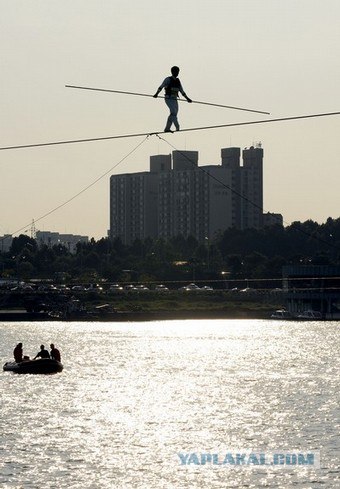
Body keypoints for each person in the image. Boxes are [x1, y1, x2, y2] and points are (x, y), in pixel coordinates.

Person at [153, 66, 192, 132]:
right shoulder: (168, 79)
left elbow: (182, 91)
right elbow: (161, 86)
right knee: (173, 111)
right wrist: (156, 94)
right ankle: (177, 126)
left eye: (178, 72)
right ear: (172, 72)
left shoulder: (178, 81)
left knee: (174, 113)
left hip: (174, 99)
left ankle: (167, 128)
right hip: (168, 98)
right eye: (175, 71)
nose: (177, 73)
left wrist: (187, 99)